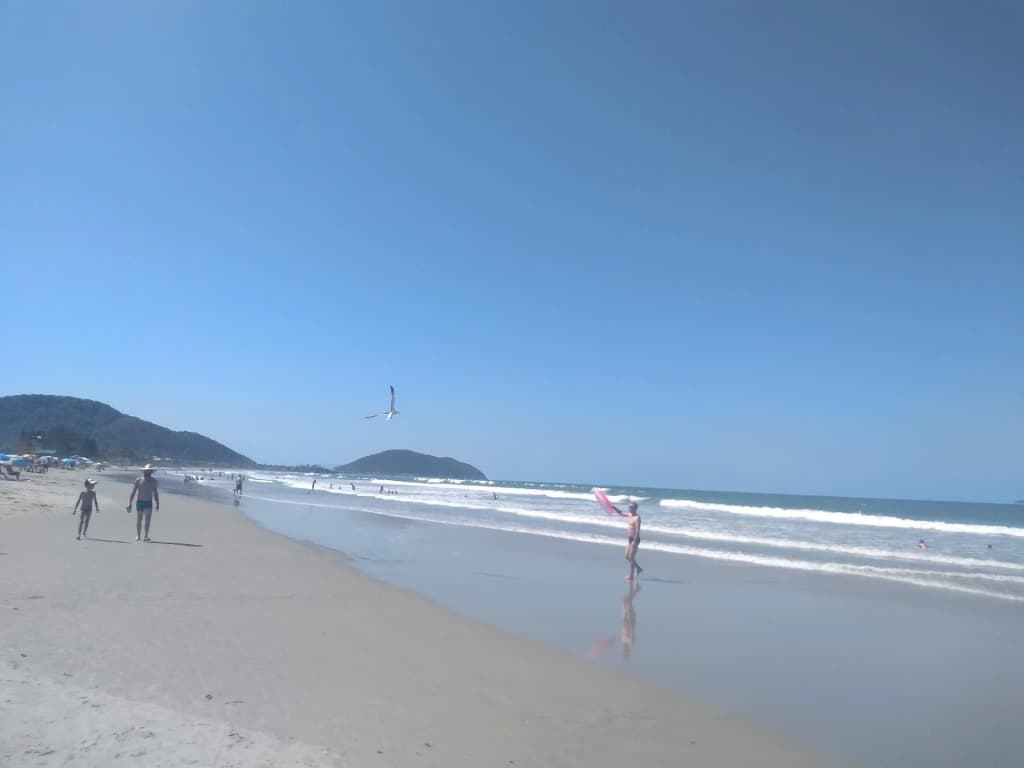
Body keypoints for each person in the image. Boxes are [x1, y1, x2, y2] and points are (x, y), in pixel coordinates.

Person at [127, 464, 160, 542]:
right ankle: (138, 535)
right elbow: (133, 492)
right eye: (146, 471)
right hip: (140, 502)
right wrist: (130, 503)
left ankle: (146, 536)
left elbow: (155, 493)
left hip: (148, 502)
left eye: (149, 471)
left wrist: (157, 503)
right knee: (139, 519)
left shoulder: (154, 481)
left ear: (151, 472)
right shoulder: (138, 480)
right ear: (144, 471)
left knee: (147, 520)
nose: (147, 472)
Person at [611, 500, 643, 579]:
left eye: (631, 507)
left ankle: (631, 575)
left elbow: (638, 530)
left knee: (631, 558)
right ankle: (638, 569)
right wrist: (613, 507)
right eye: (629, 507)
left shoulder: (637, 518)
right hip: (630, 539)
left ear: (635, 508)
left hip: (635, 539)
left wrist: (634, 541)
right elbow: (621, 513)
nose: (629, 508)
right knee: (627, 557)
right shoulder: (629, 514)